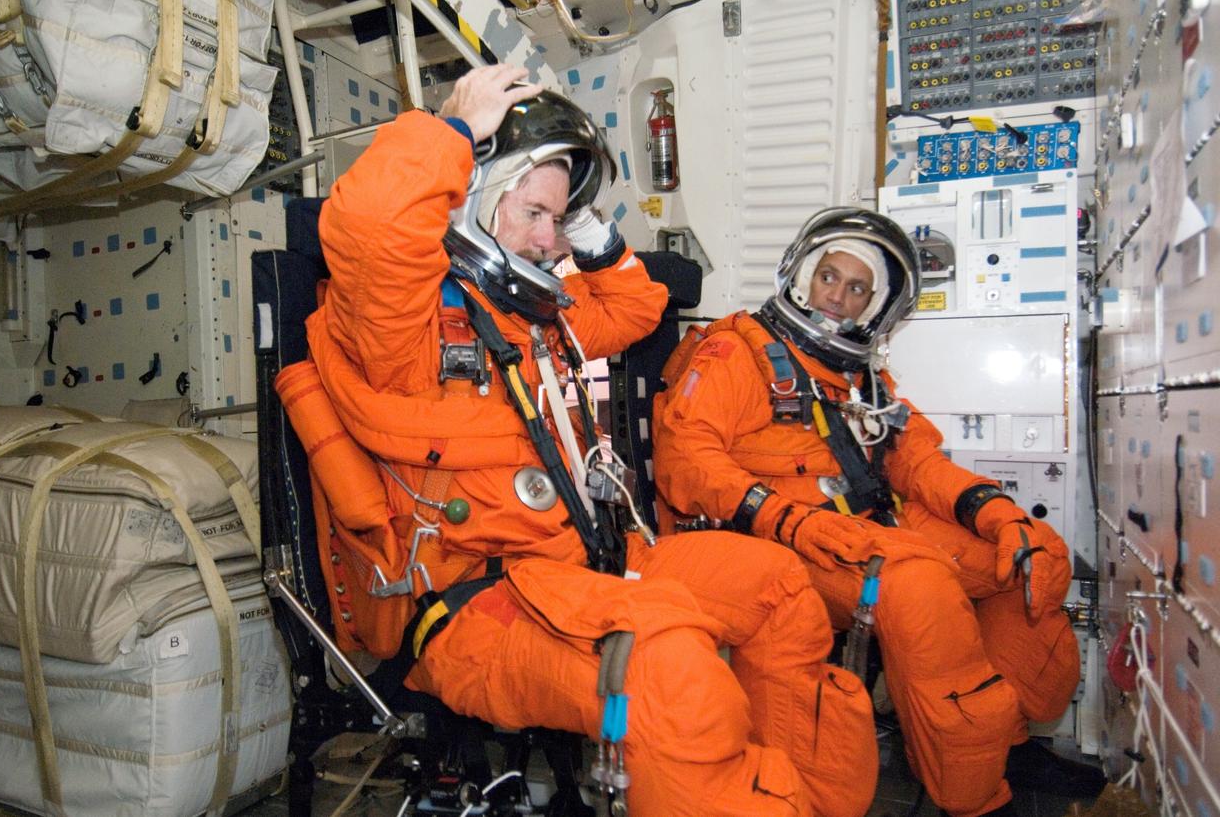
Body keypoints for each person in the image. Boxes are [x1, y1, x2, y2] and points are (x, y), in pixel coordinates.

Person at [298, 66, 878, 817]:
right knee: (671, 671)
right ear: (475, 198)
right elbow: (371, 227)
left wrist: (590, 232)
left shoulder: (532, 325)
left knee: (779, 589)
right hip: (481, 604)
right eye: (537, 214)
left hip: (588, 561)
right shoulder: (402, 336)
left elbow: (638, 306)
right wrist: (452, 130)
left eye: (559, 221)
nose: (549, 241)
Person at [652, 207, 1107, 817]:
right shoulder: (737, 352)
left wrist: (996, 511)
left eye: (857, 287)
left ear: (875, 306)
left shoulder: (860, 377)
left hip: (858, 525)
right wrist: (786, 518)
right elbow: (688, 459)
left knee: (1018, 557)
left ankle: (1005, 744)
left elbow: (916, 462)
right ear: (804, 276)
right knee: (919, 591)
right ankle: (974, 797)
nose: (837, 297)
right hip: (770, 538)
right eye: (830, 278)